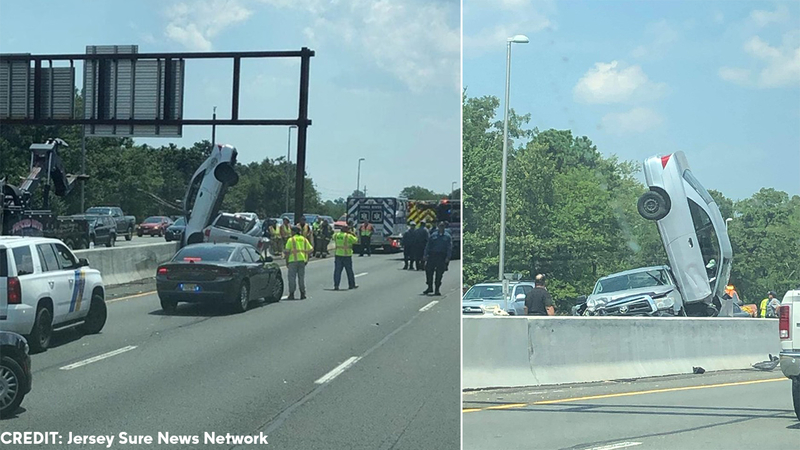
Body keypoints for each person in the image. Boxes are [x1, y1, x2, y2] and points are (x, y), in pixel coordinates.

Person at [422, 221, 452, 296]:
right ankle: (429, 287)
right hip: (432, 255)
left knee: (439, 274)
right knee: (428, 271)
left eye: (442, 226)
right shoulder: (433, 235)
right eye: (440, 226)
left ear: (444, 227)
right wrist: (425, 255)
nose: (441, 227)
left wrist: (448, 257)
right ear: (438, 226)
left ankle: (437, 289)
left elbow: (449, 248)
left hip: (441, 256)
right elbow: (428, 246)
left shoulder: (447, 236)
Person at [284, 226, 313, 300]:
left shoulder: (291, 240)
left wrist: (286, 262)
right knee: (301, 278)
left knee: (292, 278)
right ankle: (302, 294)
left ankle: (292, 294)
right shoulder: (304, 239)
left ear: (294, 232)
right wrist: (307, 259)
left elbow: (287, 252)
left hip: (292, 261)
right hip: (302, 261)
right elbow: (310, 250)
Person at [333, 223, 359, 290]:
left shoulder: (336, 235)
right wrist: (352, 233)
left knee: (337, 271)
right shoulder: (348, 236)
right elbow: (356, 240)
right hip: (346, 255)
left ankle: (336, 285)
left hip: (338, 254)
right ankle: (351, 285)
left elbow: (333, 237)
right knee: (349, 271)